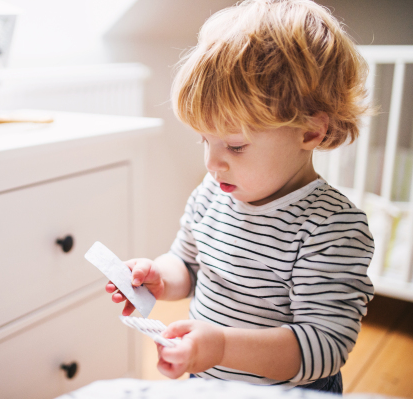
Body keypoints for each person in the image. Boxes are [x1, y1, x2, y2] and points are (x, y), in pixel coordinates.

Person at [105, 0, 374, 393]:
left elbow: (325, 346)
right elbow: (187, 263)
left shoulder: (331, 228)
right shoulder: (212, 193)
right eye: (204, 140)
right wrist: (159, 277)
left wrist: (222, 347)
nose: (213, 163)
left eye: (235, 147)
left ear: (310, 132)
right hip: (209, 377)